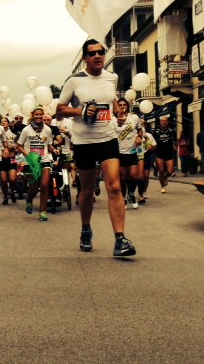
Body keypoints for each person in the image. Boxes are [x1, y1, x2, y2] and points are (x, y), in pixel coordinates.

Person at [56, 39, 136, 257]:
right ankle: (85, 228)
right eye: (92, 54)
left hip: (108, 138)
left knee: (114, 186)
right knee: (87, 190)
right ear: (85, 59)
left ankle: (120, 239)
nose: (98, 56)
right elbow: (59, 110)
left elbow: (111, 102)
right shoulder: (74, 81)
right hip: (84, 142)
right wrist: (80, 112)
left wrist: (118, 114)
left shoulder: (112, 77)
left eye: (101, 52)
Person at [16, 107, 55, 221]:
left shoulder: (47, 130)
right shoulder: (26, 130)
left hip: (44, 160)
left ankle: (43, 211)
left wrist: (54, 149)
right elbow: (19, 145)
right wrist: (27, 154)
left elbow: (49, 145)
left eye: (40, 115)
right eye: (36, 114)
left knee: (44, 185)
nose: (38, 116)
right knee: (34, 188)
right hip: (30, 162)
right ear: (33, 115)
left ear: (43, 116)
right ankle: (29, 199)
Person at [114, 98, 141, 209]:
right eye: (120, 104)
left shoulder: (134, 117)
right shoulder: (113, 119)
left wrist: (139, 137)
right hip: (119, 152)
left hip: (132, 150)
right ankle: (123, 198)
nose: (122, 106)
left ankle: (131, 194)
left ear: (128, 106)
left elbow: (140, 129)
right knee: (122, 178)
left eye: (124, 104)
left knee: (133, 176)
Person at [152, 115, 176, 194]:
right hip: (159, 154)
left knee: (169, 171)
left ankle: (166, 177)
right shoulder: (156, 132)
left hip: (169, 154)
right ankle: (163, 186)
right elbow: (153, 143)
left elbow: (175, 141)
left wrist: (175, 145)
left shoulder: (171, 131)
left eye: (165, 121)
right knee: (161, 171)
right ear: (160, 122)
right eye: (162, 121)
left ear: (168, 122)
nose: (164, 122)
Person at [135, 121, 157, 204]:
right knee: (138, 176)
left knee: (146, 176)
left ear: (145, 126)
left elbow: (154, 146)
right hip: (137, 156)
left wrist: (151, 146)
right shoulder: (134, 134)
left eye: (143, 124)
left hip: (147, 156)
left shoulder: (148, 135)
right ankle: (137, 193)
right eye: (140, 124)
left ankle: (143, 192)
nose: (141, 126)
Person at [0, 116, 18, 205]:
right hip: (2, 159)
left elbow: (19, 144)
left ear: (8, 123)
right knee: (3, 180)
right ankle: (5, 196)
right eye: (2, 121)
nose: (3, 122)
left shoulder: (13, 133)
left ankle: (13, 191)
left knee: (12, 179)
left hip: (11, 158)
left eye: (5, 121)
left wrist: (13, 147)